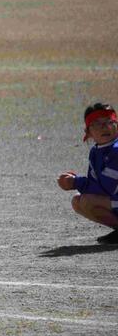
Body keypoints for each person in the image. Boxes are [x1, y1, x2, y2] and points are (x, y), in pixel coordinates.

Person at [57, 102, 118, 245]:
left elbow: (107, 188)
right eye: (97, 124)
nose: (104, 127)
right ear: (88, 132)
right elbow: (95, 184)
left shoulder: (116, 150)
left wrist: (75, 182)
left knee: (87, 201)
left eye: (109, 122)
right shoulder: (96, 151)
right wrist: (74, 181)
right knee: (77, 201)